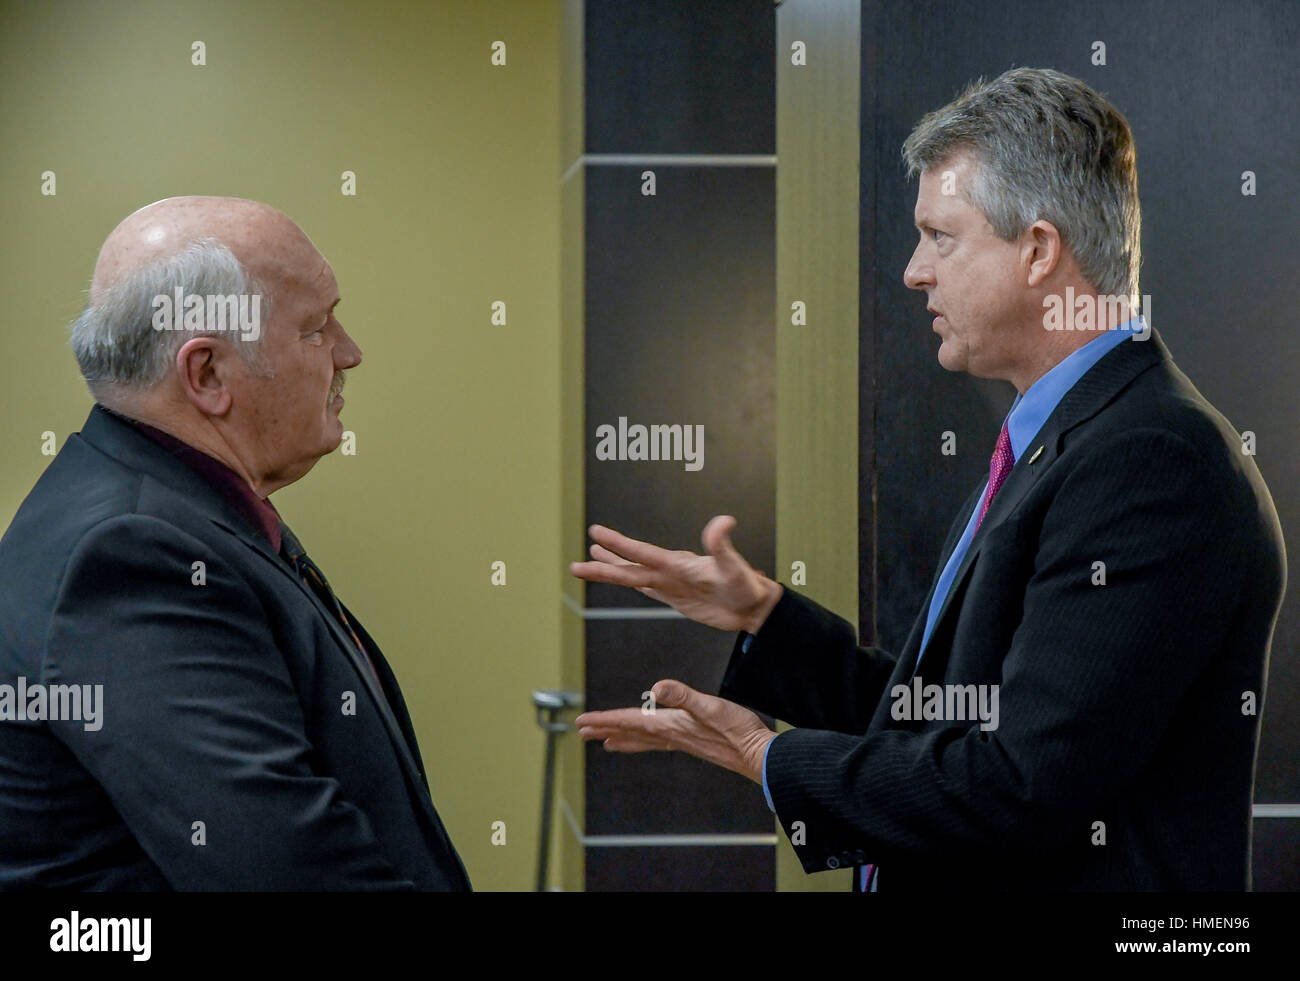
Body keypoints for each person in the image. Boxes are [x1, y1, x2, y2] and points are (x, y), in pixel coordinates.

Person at [569, 68, 1285, 891]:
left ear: (1039, 251)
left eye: (940, 237)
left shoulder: (1153, 459)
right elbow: (947, 716)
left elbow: (1019, 784)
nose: (914, 270)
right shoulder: (1068, 436)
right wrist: (767, 618)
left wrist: (767, 757)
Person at [0, 196, 470, 890]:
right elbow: (290, 876)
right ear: (209, 375)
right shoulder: (131, 556)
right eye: (316, 327)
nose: (350, 352)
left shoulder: (174, 500)